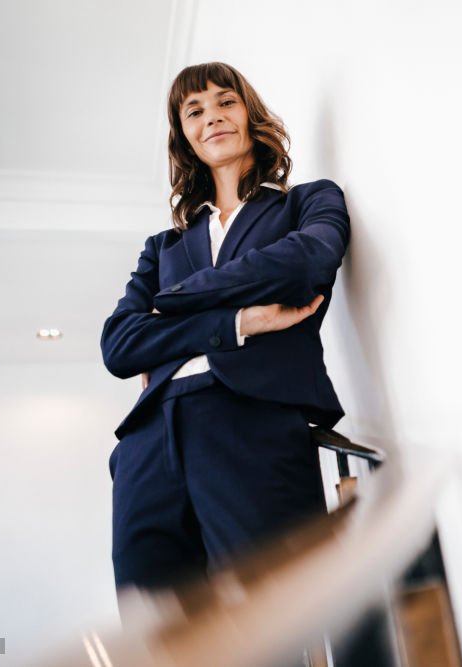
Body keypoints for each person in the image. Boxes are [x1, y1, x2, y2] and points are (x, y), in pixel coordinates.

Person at [100, 61, 349, 599]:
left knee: (269, 618)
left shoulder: (307, 202)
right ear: (185, 137)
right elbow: (119, 346)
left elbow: (307, 263)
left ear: (250, 114)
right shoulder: (162, 247)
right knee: (156, 628)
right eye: (194, 111)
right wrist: (235, 321)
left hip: (251, 421)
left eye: (224, 102)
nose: (211, 117)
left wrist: (175, 302)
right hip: (149, 441)